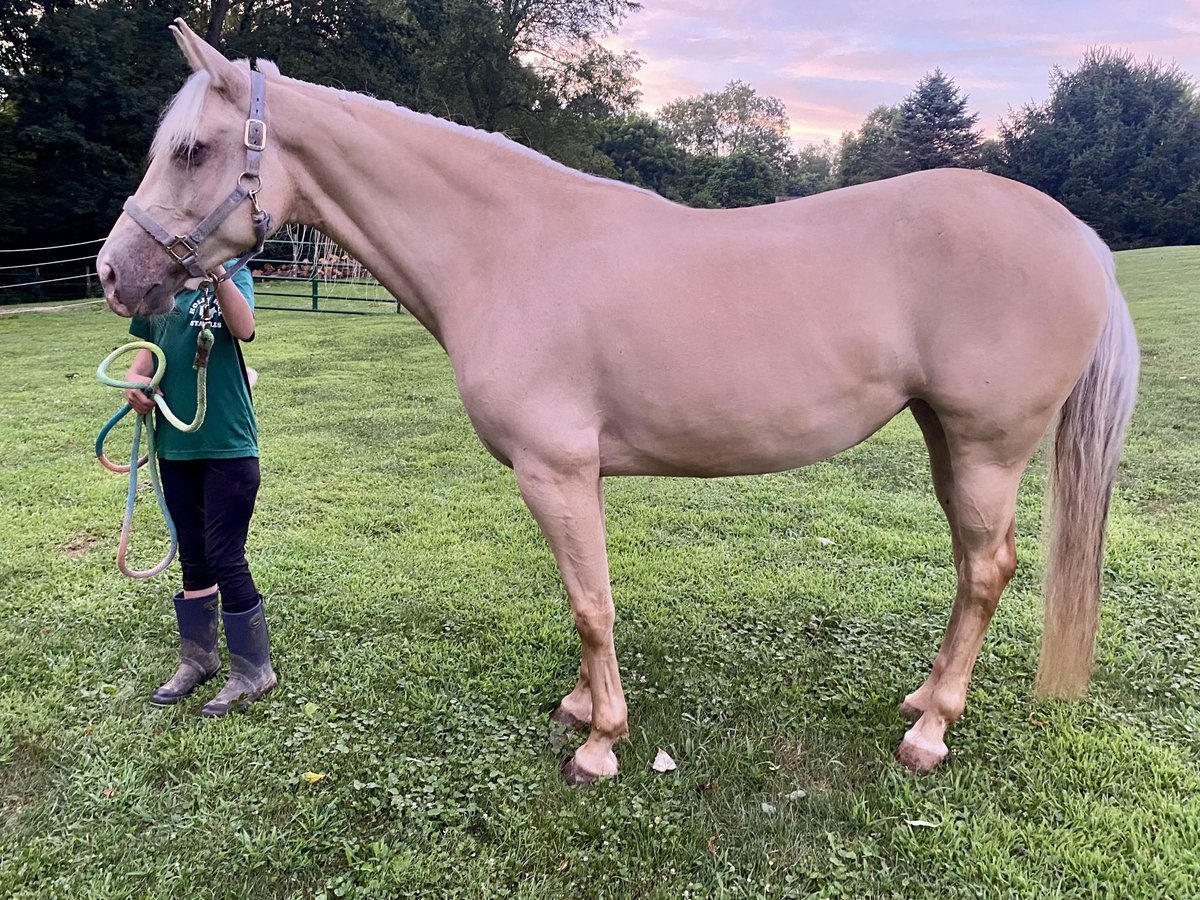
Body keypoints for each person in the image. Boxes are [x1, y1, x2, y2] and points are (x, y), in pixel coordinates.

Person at [122, 262, 276, 716]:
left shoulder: (229, 276)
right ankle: (199, 658)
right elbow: (141, 360)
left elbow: (244, 328)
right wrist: (134, 385)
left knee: (225, 555)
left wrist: (219, 275)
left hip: (229, 445)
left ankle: (254, 669)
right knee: (192, 552)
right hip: (175, 448)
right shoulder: (156, 290)